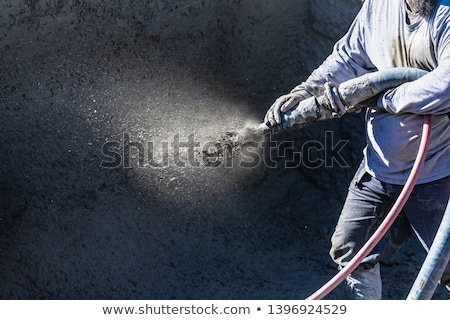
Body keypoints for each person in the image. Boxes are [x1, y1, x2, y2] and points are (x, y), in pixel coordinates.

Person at [264, 0, 450, 299]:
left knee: (446, 264)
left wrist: (381, 98)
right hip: (379, 168)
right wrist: (306, 91)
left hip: (437, 172)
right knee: (351, 249)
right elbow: (349, 59)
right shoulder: (379, 6)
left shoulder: (445, 15)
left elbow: (446, 86)